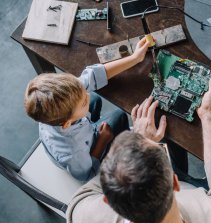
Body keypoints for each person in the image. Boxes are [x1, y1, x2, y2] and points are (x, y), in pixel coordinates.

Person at [66, 75, 211, 223]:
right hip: (201, 199)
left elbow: (90, 191)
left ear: (107, 200)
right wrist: (208, 114)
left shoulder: (83, 219)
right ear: (174, 181)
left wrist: (139, 140)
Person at [24, 38, 150, 181]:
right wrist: (102, 141)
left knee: (95, 100)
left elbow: (92, 77)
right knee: (119, 116)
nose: (87, 95)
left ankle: (92, 125)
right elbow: (87, 175)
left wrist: (135, 58)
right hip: (87, 158)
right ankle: (126, 153)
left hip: (82, 134)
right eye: (84, 103)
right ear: (67, 123)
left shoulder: (54, 105)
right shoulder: (72, 153)